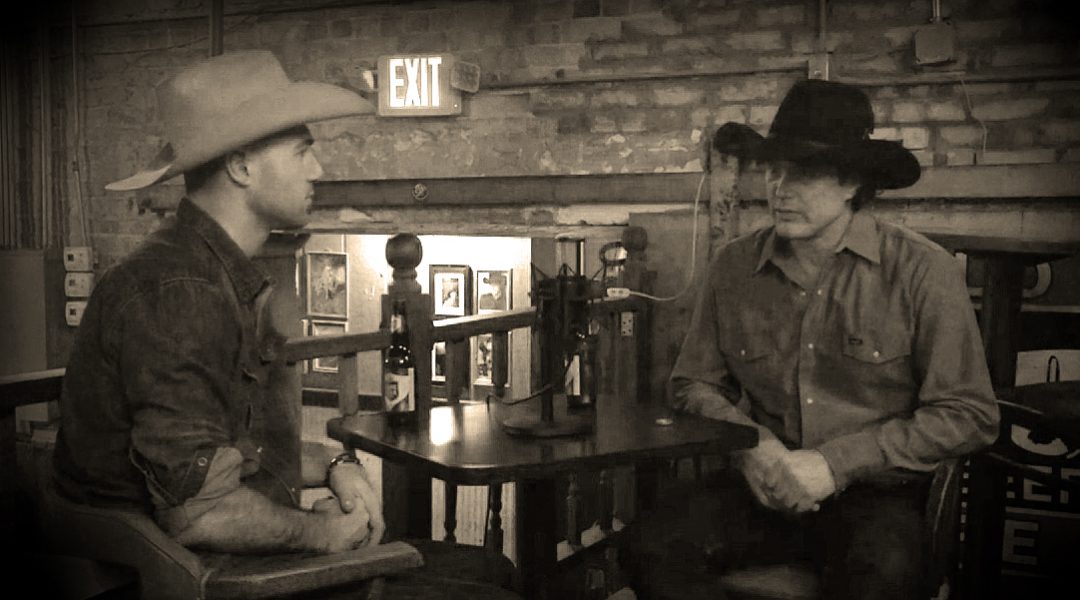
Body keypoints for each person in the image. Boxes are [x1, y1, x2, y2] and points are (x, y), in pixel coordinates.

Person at [52, 51, 517, 599]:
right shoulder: (180, 292)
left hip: (217, 564)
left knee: (491, 571)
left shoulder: (213, 273)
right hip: (185, 579)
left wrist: (336, 463)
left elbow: (237, 452)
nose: (317, 170)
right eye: (302, 151)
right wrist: (324, 536)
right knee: (489, 590)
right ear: (242, 167)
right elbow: (200, 515)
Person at [622, 79, 1000, 600]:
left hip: (874, 493)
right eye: (773, 170)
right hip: (763, 484)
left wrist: (834, 464)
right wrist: (754, 447)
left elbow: (969, 414)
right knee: (647, 545)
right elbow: (691, 384)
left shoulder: (922, 271)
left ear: (852, 183)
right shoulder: (733, 268)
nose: (780, 188)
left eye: (803, 173)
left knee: (882, 575)